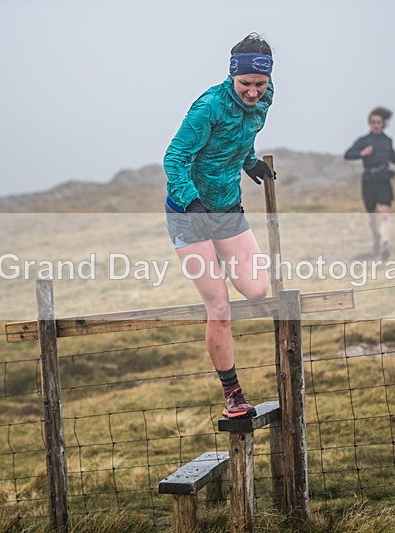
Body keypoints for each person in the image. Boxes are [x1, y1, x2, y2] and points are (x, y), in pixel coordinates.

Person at [163, 33, 276, 419]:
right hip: (189, 213)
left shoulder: (266, 98)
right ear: (232, 77)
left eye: (259, 85)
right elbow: (174, 158)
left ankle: (222, 261)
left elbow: (242, 137)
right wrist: (192, 203)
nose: (252, 92)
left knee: (258, 289)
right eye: (245, 84)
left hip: (228, 208)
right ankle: (233, 395)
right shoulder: (208, 106)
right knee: (220, 305)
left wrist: (250, 163)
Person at [344, 106, 395, 260]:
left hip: (384, 179)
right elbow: (348, 154)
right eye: (373, 122)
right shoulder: (364, 141)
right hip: (369, 180)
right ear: (369, 123)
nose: (376, 125)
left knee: (385, 213)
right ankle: (377, 237)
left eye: (378, 122)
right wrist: (362, 153)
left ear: (383, 123)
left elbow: (391, 155)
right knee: (372, 218)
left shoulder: (387, 140)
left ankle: (385, 243)